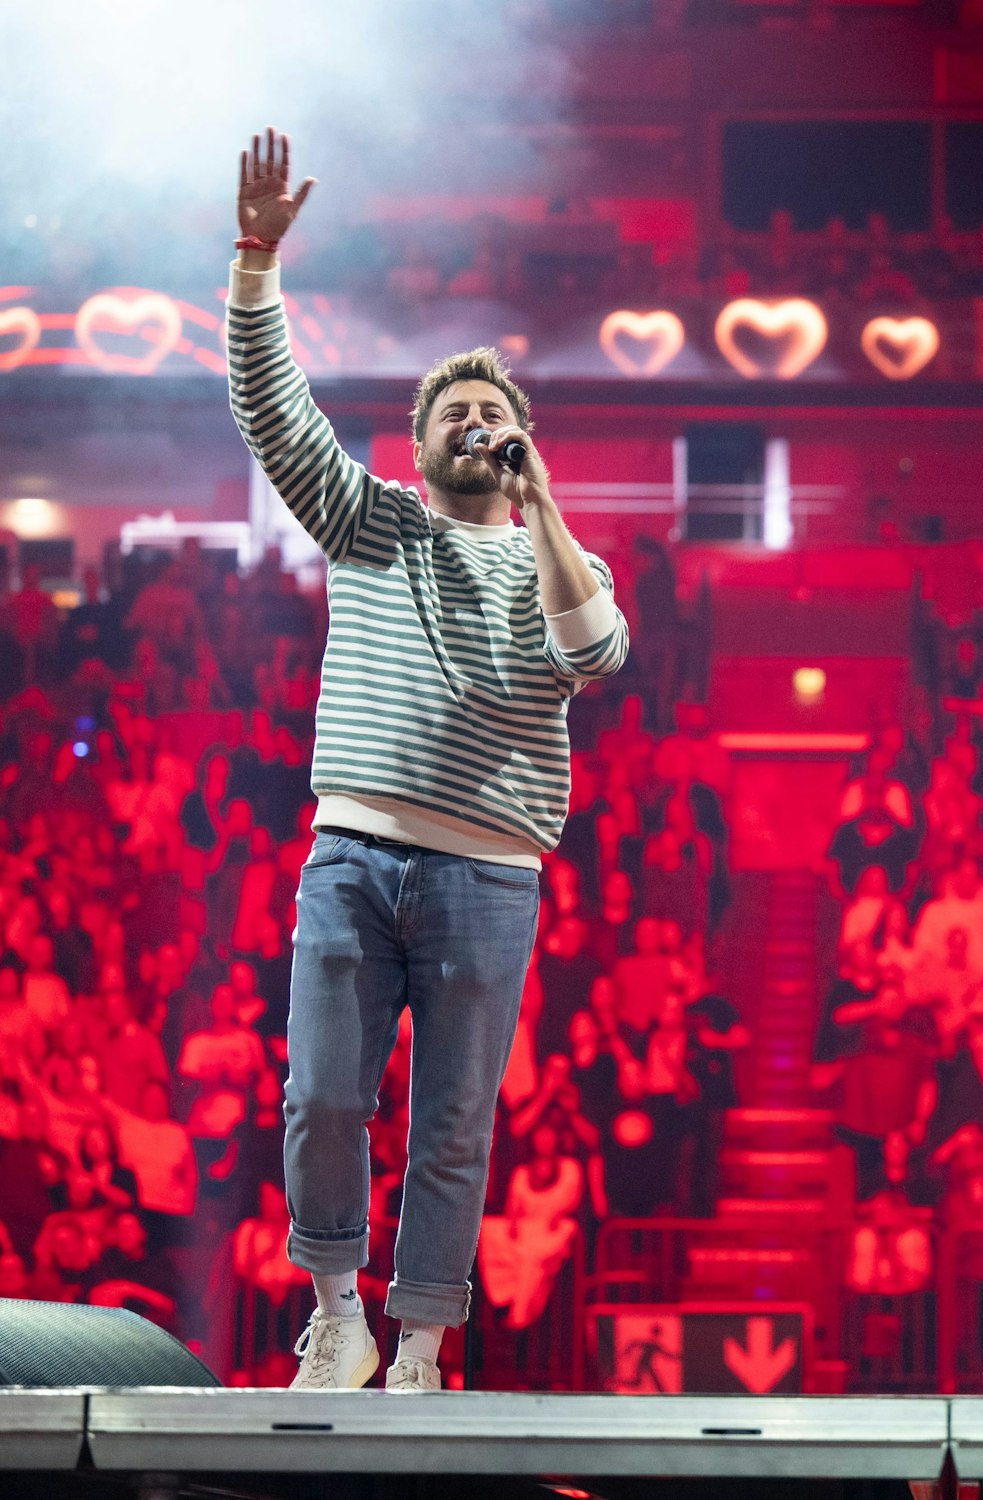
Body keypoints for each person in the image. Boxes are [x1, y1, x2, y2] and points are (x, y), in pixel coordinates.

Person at [228, 130, 628, 1391]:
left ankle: (421, 1344)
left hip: (487, 874)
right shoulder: (369, 520)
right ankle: (337, 1308)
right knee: (321, 1098)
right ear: (415, 447)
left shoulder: (554, 555)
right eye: (453, 410)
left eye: (494, 413)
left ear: (518, 450)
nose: (474, 420)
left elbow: (595, 651)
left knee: (453, 1127)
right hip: (351, 850)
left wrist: (549, 506)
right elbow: (269, 408)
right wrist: (255, 260)